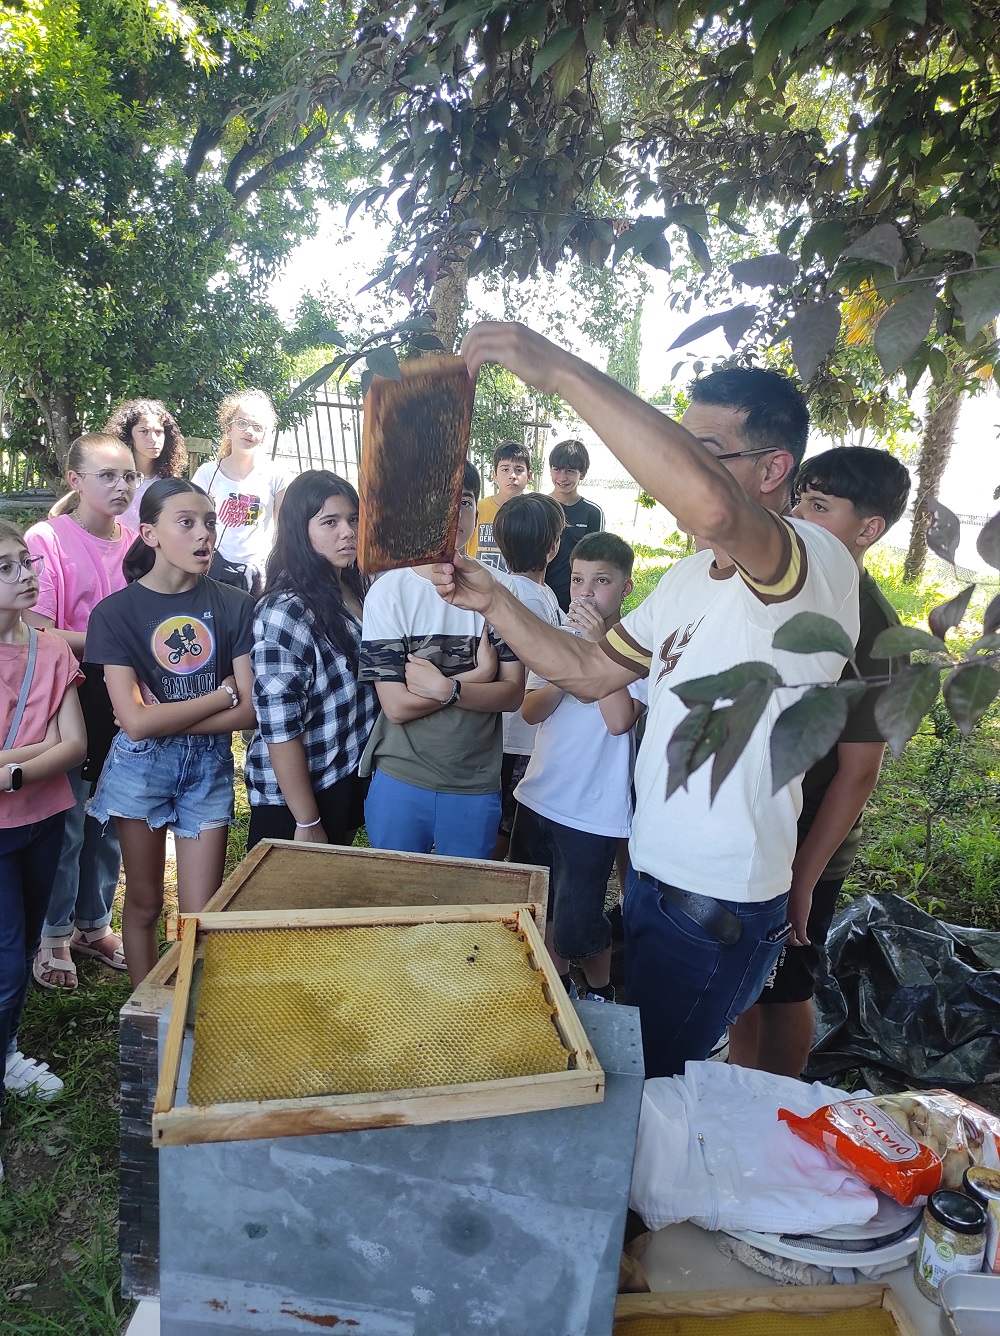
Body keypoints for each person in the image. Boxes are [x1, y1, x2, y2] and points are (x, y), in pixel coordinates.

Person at [431, 323, 860, 1079]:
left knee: (653, 1080)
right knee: (647, 1075)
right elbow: (590, 671)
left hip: (718, 901)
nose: (675, 464)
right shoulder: (693, 580)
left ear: (773, 468)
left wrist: (558, 370)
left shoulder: (812, 559)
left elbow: (719, 511)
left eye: (701, 450)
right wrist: (494, 600)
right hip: (654, 879)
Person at [728, 446, 911, 1078]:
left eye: (821, 505)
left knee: (785, 985)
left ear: (868, 531)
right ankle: (733, 1096)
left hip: (804, 846)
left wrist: (802, 879)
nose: (799, 513)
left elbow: (859, 772)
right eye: (801, 497)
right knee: (740, 983)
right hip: (752, 824)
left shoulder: (876, 635)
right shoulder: (788, 590)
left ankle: (776, 1112)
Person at [84, 479, 256, 985]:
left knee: (202, 914)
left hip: (208, 768)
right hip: (140, 771)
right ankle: (147, 1013)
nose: (204, 534)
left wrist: (173, 713)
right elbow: (135, 723)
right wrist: (220, 695)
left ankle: (191, 1012)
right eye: (186, 522)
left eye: (209, 522)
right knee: (144, 901)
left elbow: (250, 714)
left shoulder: (234, 603)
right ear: (150, 534)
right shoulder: (114, 614)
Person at [358, 462, 525, 860]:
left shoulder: (497, 591)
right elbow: (395, 706)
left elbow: (513, 693)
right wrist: (477, 676)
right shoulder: (389, 592)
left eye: (464, 502)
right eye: (438, 503)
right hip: (402, 776)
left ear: (477, 513)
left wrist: (448, 688)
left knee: (464, 912)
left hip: (474, 782)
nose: (453, 515)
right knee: (394, 907)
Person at [25, 433, 140, 991]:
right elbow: (38, 627)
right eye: (108, 476)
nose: (122, 487)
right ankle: (52, 935)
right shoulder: (46, 538)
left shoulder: (141, 542)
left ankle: (94, 925)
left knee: (112, 813)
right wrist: (113, 647)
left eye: (129, 477)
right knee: (68, 819)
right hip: (69, 692)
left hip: (128, 696)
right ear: (75, 481)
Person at [511, 533, 646, 1002]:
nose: (586, 593)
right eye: (578, 580)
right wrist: (565, 675)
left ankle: (601, 992)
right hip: (539, 796)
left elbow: (618, 720)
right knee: (539, 908)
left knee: (581, 917)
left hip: (592, 812)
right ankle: (553, 989)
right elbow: (529, 711)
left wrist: (596, 652)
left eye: (602, 581)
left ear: (627, 587)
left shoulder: (636, 650)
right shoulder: (556, 641)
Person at [0, 523, 87, 1131]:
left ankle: (5, 1052)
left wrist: (8, 774)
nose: (26, 574)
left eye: (24, 562)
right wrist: (38, 753)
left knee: (27, 942)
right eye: (6, 568)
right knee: (7, 962)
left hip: (43, 819)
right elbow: (53, 746)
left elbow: (75, 746)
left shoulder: (51, 648)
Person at [246, 470, 377, 850]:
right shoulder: (286, 610)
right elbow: (279, 724)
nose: (347, 531)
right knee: (283, 908)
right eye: (329, 522)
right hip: (296, 796)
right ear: (299, 530)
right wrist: (307, 818)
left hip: (344, 771)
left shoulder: (354, 588)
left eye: (353, 519)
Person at [491, 492, 565, 858]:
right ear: (553, 547)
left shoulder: (535, 591)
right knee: (507, 817)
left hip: (516, 727)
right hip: (518, 733)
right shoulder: (530, 597)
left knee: (507, 812)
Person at [191, 389, 290, 593]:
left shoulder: (277, 475)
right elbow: (194, 522)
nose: (249, 431)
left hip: (258, 575)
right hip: (213, 568)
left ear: (264, 436)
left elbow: (283, 528)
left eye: (257, 427)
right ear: (229, 429)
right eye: (242, 423)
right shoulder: (207, 473)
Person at [104, 398, 187, 529]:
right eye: (144, 432)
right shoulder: (111, 480)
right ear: (129, 436)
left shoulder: (169, 484)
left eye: (159, 432)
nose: (153, 439)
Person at [544, 438, 605, 612]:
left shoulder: (592, 513)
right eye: (557, 470)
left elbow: (596, 561)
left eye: (570, 471)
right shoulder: (539, 507)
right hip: (540, 594)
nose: (562, 478)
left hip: (575, 600)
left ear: (583, 474)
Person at [466, 440, 532, 571]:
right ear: (494, 475)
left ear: (529, 476)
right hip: (478, 585)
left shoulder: (533, 514)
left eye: (519, 470)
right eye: (505, 469)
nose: (512, 476)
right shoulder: (477, 509)